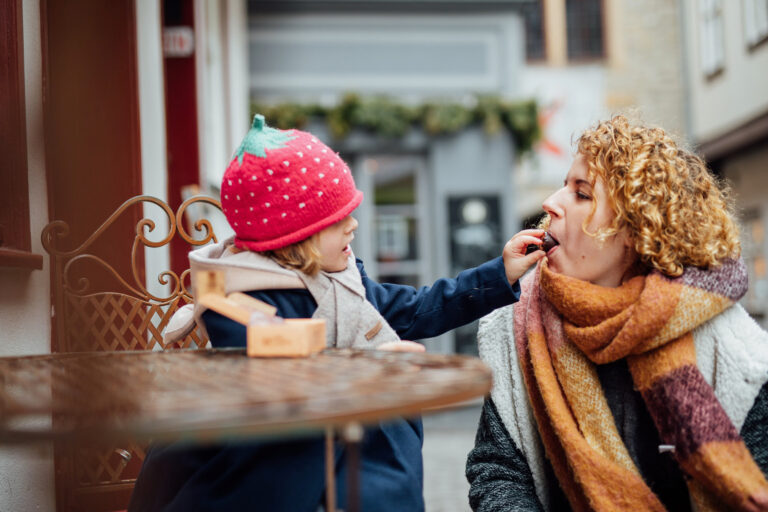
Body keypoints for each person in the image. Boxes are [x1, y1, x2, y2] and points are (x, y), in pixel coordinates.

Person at [128, 114, 545, 512]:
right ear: (296, 237)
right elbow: (275, 389)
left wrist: (498, 273)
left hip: (341, 443)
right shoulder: (240, 300)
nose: (354, 225)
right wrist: (369, 370)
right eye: (338, 219)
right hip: (283, 461)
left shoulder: (342, 279)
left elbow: (418, 308)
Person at [466, 115, 768, 512]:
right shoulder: (518, 326)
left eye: (582, 194)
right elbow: (497, 470)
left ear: (636, 231)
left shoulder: (727, 340)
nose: (550, 203)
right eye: (564, 186)